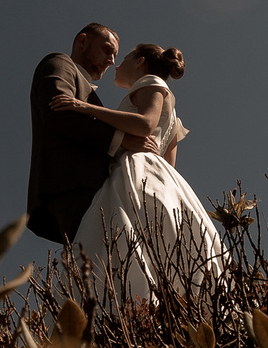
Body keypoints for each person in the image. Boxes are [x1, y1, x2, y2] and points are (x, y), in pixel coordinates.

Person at [50, 42, 231, 307]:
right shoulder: (174, 118)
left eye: (123, 57)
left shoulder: (150, 82)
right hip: (160, 176)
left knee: (122, 238)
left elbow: (145, 124)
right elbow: (168, 162)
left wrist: (84, 107)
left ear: (139, 61)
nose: (116, 64)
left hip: (137, 169)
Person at [26, 22, 121, 247]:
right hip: (73, 187)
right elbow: (57, 111)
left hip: (89, 191)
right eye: (107, 49)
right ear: (82, 41)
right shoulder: (58, 62)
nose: (112, 60)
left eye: (115, 56)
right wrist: (121, 141)